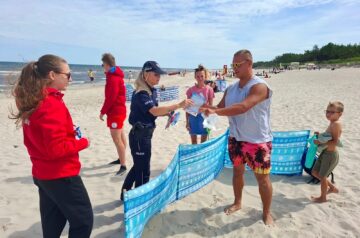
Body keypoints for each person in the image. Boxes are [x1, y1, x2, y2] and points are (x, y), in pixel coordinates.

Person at [10, 54, 93, 237]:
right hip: (61, 174)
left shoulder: (33, 100)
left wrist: (68, 132)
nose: (70, 79)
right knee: (83, 221)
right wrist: (82, 143)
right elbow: (55, 149)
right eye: (68, 75)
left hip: (42, 173)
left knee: (53, 223)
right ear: (52, 75)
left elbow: (35, 139)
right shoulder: (49, 103)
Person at [201, 49, 274, 225]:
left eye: (237, 65)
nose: (234, 68)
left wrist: (215, 111)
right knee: (237, 173)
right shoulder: (231, 88)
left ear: (249, 64)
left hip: (258, 140)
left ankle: (266, 213)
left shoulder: (260, 86)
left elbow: (243, 107)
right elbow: (219, 107)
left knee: (262, 179)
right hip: (236, 138)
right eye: (232, 65)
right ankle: (237, 202)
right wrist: (206, 110)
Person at [121, 61, 193, 200]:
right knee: (143, 170)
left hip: (145, 135)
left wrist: (167, 114)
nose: (158, 77)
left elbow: (152, 112)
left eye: (159, 74)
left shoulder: (151, 90)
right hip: (139, 136)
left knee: (138, 166)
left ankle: (124, 195)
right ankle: (140, 200)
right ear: (145, 74)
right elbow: (153, 111)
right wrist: (178, 105)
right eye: (156, 74)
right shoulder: (142, 93)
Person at [99, 53, 128, 176]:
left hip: (116, 112)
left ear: (106, 64)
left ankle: (123, 165)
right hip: (119, 110)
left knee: (117, 139)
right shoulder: (115, 75)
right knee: (120, 136)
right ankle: (121, 158)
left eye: (102, 65)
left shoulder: (113, 78)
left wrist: (102, 112)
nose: (102, 67)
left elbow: (110, 98)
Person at [311, 101, 343, 203]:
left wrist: (319, 141)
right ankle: (332, 188)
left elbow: (334, 141)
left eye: (332, 112)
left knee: (323, 176)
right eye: (327, 111)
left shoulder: (336, 124)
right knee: (314, 172)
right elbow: (328, 136)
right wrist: (320, 135)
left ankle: (323, 197)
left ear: (340, 114)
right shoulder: (332, 123)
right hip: (325, 153)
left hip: (330, 155)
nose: (328, 114)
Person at [186, 64, 214, 144]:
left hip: (204, 117)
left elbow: (211, 108)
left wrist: (210, 121)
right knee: (193, 142)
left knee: (203, 142)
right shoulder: (190, 90)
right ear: (195, 77)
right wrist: (187, 122)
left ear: (205, 76)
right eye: (198, 76)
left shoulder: (209, 89)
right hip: (193, 117)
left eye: (202, 76)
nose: (200, 78)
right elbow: (188, 108)